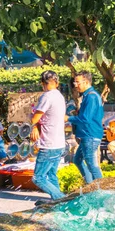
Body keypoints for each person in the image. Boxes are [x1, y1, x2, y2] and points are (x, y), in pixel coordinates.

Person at [30, 70, 67, 205]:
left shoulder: (47, 97)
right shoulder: (59, 96)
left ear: (42, 84)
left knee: (38, 177)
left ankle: (61, 199)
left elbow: (34, 119)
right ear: (56, 83)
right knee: (51, 175)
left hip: (49, 145)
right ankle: (57, 203)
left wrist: (33, 124)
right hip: (59, 144)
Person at [66, 70, 104, 184]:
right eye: (74, 82)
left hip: (90, 135)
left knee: (92, 164)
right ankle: (90, 186)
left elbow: (85, 119)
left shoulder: (91, 97)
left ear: (86, 82)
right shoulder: (87, 96)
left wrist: (67, 118)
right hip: (86, 135)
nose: (75, 85)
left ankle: (103, 191)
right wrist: (78, 134)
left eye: (78, 82)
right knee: (77, 160)